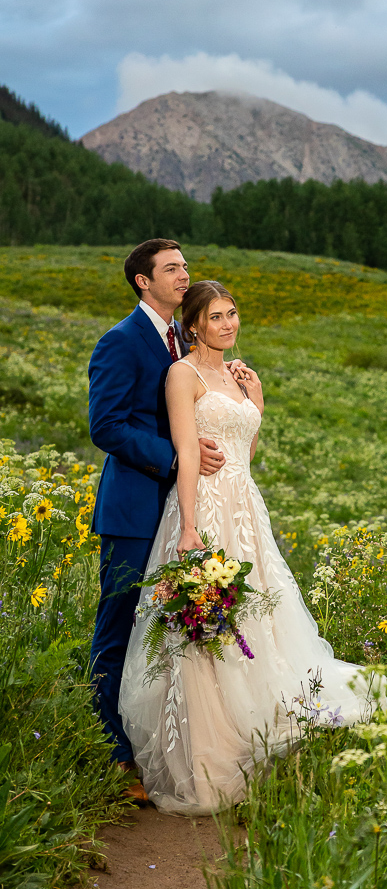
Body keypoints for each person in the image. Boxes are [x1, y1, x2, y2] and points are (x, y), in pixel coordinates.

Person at [118, 279, 387, 815]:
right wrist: (190, 528)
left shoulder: (241, 375)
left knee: (261, 623)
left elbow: (247, 449)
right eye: (216, 317)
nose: (228, 324)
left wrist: (256, 397)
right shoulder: (183, 374)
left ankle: (262, 740)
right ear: (194, 324)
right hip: (206, 508)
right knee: (208, 631)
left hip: (248, 509)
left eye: (233, 314)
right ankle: (211, 755)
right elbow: (187, 455)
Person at [88, 240, 232, 804]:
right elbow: (107, 425)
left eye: (185, 267)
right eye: (171, 269)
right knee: (119, 627)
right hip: (135, 507)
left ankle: (164, 750)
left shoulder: (183, 342)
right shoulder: (120, 341)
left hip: (185, 509)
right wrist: (178, 456)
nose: (183, 275)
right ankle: (112, 756)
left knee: (174, 629)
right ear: (143, 282)